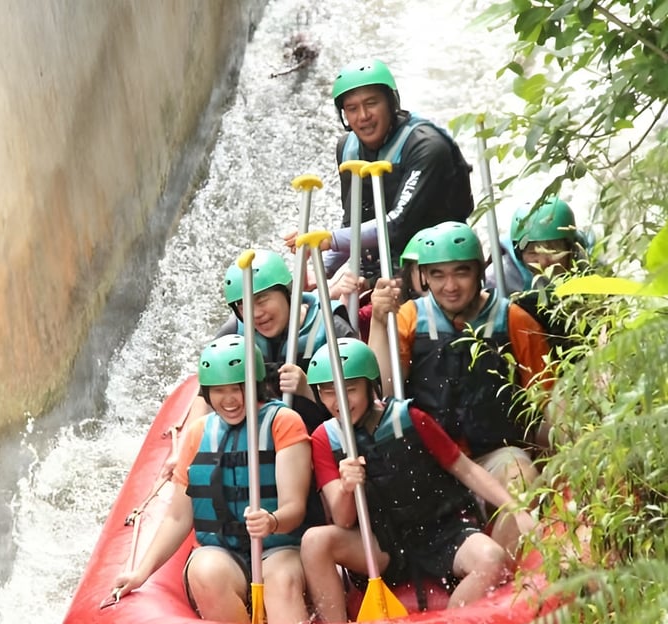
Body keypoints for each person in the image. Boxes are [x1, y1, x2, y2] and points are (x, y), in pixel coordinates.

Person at [301, 338, 537, 622]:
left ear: (370, 386)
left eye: (349, 390)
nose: (338, 402)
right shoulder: (325, 439)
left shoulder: (410, 418)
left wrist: (516, 508)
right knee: (314, 541)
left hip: (442, 531)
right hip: (381, 543)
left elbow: (466, 470)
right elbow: (342, 519)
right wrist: (347, 487)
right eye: (328, 393)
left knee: (491, 559)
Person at [112, 335, 312, 624]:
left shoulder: (284, 422)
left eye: (237, 388)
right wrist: (141, 573)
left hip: (277, 548)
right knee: (204, 571)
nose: (229, 399)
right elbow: (178, 519)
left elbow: (295, 507)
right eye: (219, 390)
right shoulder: (198, 433)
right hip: (223, 552)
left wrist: (272, 521)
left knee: (282, 579)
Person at [369, 221, 554, 494]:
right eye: (438, 275)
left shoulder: (513, 320)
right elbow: (381, 389)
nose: (450, 286)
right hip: (430, 456)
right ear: (424, 278)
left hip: (496, 454)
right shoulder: (409, 317)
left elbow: (546, 398)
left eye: (461, 273)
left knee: (521, 478)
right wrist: (377, 321)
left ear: (479, 271)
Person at [284, 57, 473, 289]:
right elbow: (354, 222)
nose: (363, 116)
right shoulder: (348, 149)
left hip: (436, 268)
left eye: (371, 103)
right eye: (352, 109)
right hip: (378, 270)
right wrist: (323, 270)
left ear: (391, 102)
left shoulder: (426, 146)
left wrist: (329, 240)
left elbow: (397, 224)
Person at [216, 248, 358, 432]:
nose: (256, 314)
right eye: (245, 306)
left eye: (262, 300)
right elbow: (205, 392)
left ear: (287, 293)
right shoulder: (234, 333)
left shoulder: (332, 329)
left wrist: (307, 389)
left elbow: (359, 404)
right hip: (261, 437)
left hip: (320, 434)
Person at [486, 196, 593, 354]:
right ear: (519, 253)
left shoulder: (588, 264)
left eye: (554, 250)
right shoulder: (501, 277)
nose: (544, 262)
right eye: (533, 252)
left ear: (570, 247)